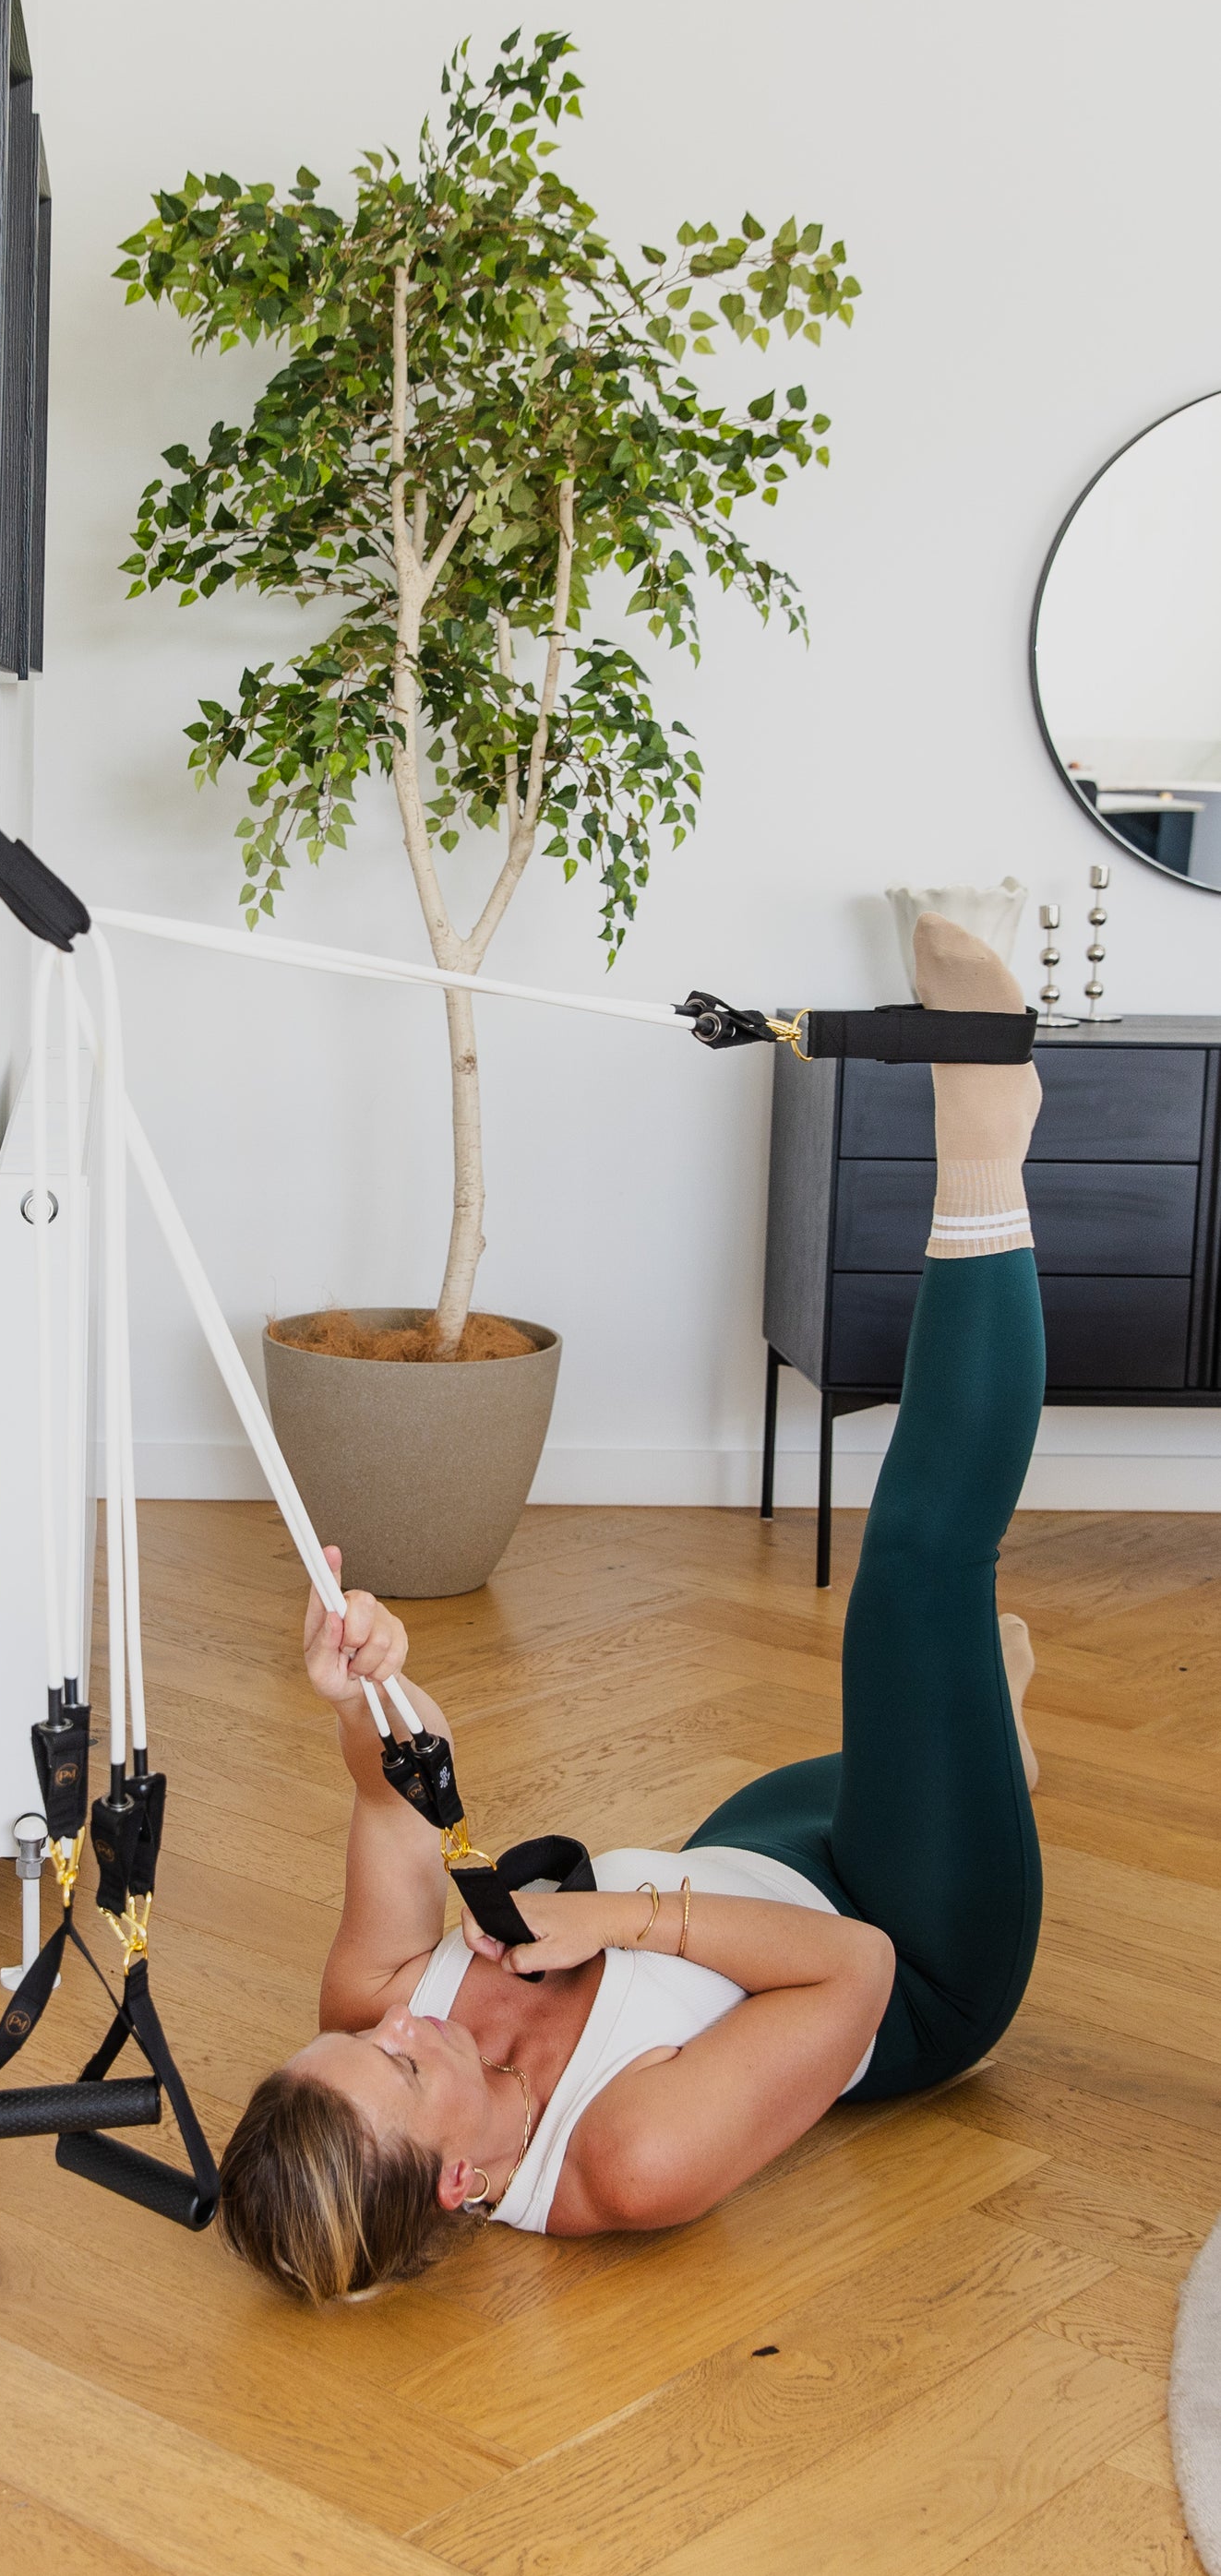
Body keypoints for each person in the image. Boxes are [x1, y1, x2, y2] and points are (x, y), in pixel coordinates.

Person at [217, 916, 1048, 2301]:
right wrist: (612, 1924)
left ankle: (989, 1745)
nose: (405, 2026)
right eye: (405, 2068)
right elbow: (847, 1966)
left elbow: (388, 1804)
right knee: (910, 1575)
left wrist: (362, 1686)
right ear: (459, 2183)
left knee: (931, 1699)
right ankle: (984, 1131)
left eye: (360, 2042)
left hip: (739, 1857)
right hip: (909, 1957)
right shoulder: (628, 2162)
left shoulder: (367, 2020)